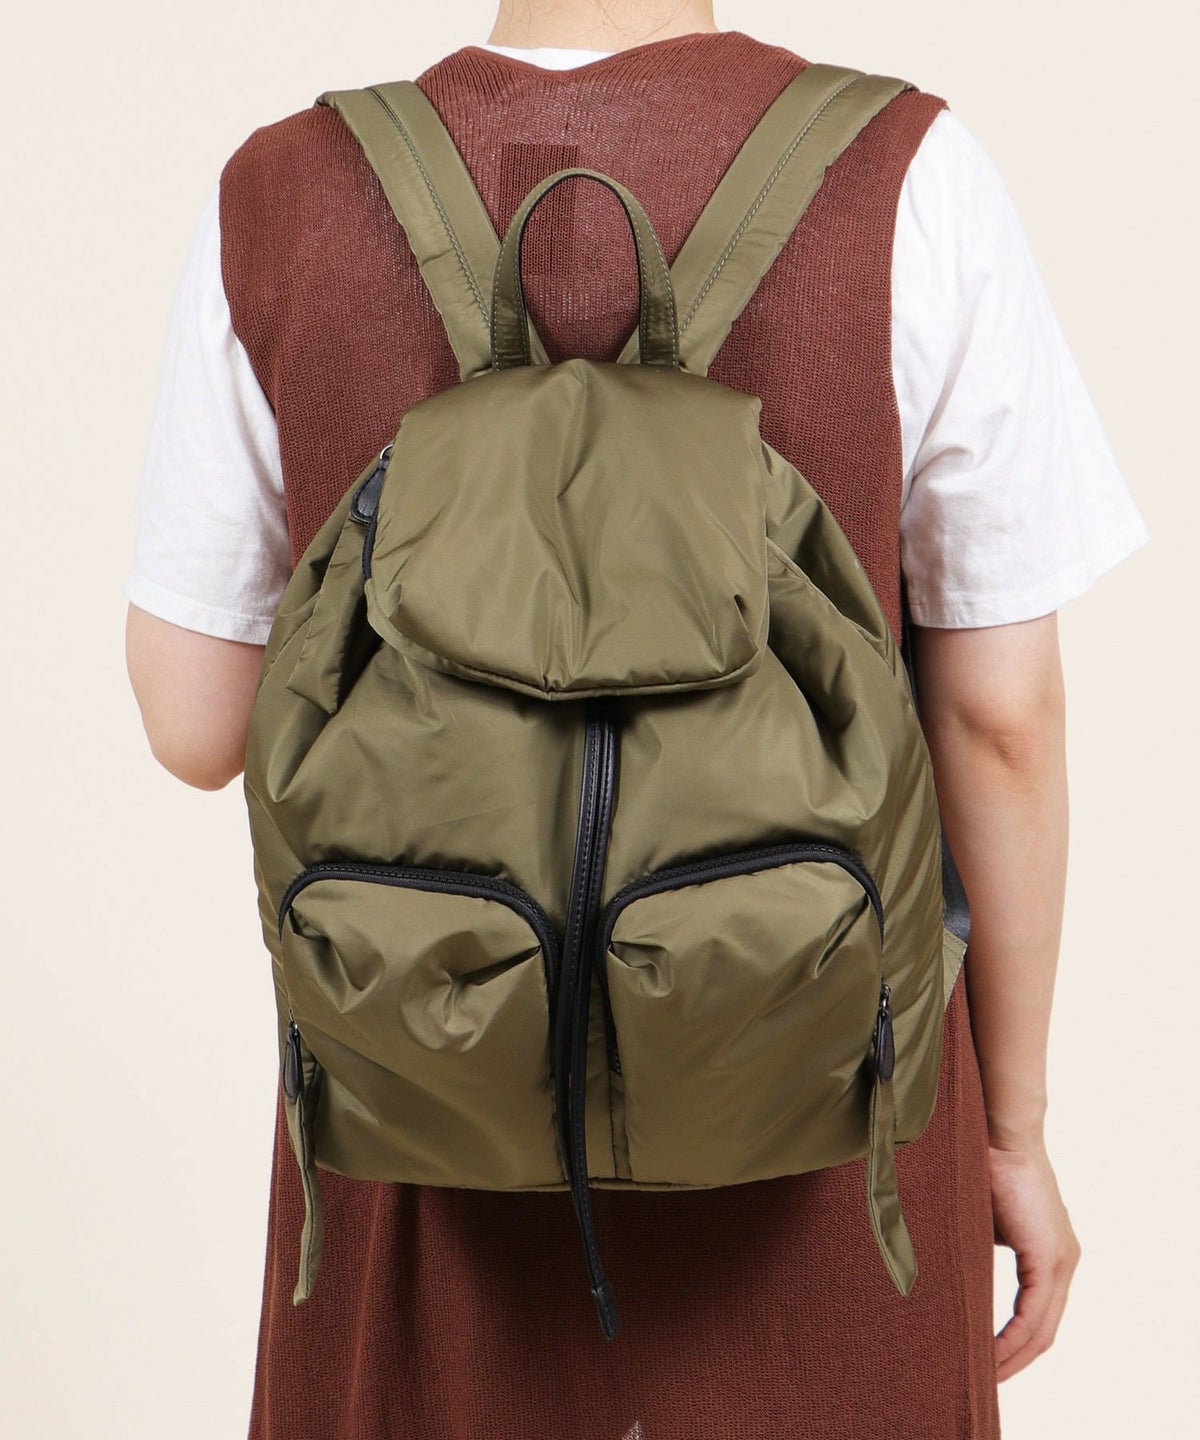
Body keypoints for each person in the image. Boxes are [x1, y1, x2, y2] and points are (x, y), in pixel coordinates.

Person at [124, 4, 1149, 1436]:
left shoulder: (285, 191)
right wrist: (1014, 1133)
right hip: (830, 1128)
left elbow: (195, 723)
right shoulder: (910, 171)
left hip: (414, 1122)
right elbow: (1002, 723)